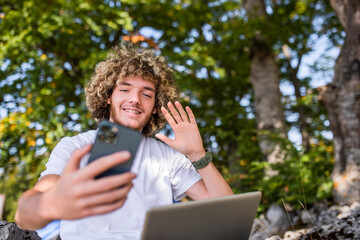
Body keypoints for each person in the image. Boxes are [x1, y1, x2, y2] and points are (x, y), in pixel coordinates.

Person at [15, 44, 233, 239]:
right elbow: (25, 216)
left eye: (147, 94)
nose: (135, 99)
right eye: (125, 89)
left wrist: (197, 154)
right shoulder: (74, 147)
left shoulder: (167, 157)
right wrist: (52, 204)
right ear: (108, 96)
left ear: (155, 106)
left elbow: (228, 216)